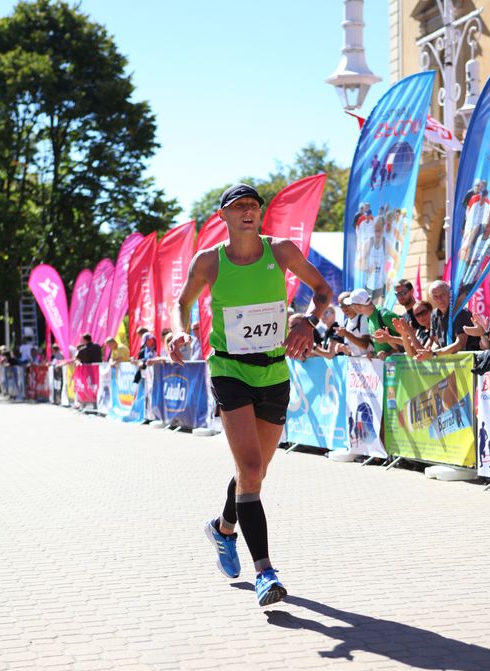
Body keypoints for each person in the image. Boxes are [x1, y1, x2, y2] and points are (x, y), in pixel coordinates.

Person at [169, 182, 332, 606]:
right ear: (222, 215)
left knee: (254, 473)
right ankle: (265, 573)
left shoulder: (282, 251)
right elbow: (181, 304)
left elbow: (323, 291)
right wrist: (178, 331)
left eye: (254, 205)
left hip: (274, 371)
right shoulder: (210, 261)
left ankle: (223, 528)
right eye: (239, 205)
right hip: (230, 370)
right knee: (252, 467)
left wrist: (308, 322)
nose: (248, 211)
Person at [415, 281, 478, 361]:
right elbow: (437, 342)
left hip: (469, 362)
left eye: (442, 295)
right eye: (435, 297)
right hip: (450, 363)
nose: (439, 300)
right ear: (431, 298)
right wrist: (426, 354)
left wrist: (434, 354)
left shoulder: (460, 312)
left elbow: (460, 344)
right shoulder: (434, 314)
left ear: (449, 294)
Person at [346, 288, 400, 360]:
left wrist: (388, 354)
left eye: (352, 305)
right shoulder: (369, 317)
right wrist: (374, 354)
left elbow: (407, 340)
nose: (351, 307)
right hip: (386, 365)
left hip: (400, 365)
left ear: (359, 306)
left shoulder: (385, 315)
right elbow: (382, 347)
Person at [337, 291, 371, 356]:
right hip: (356, 362)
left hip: (370, 361)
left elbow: (364, 345)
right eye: (341, 306)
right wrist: (343, 349)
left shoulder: (363, 318)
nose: (344, 308)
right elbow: (352, 353)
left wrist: (346, 334)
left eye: (347, 305)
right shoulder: (346, 322)